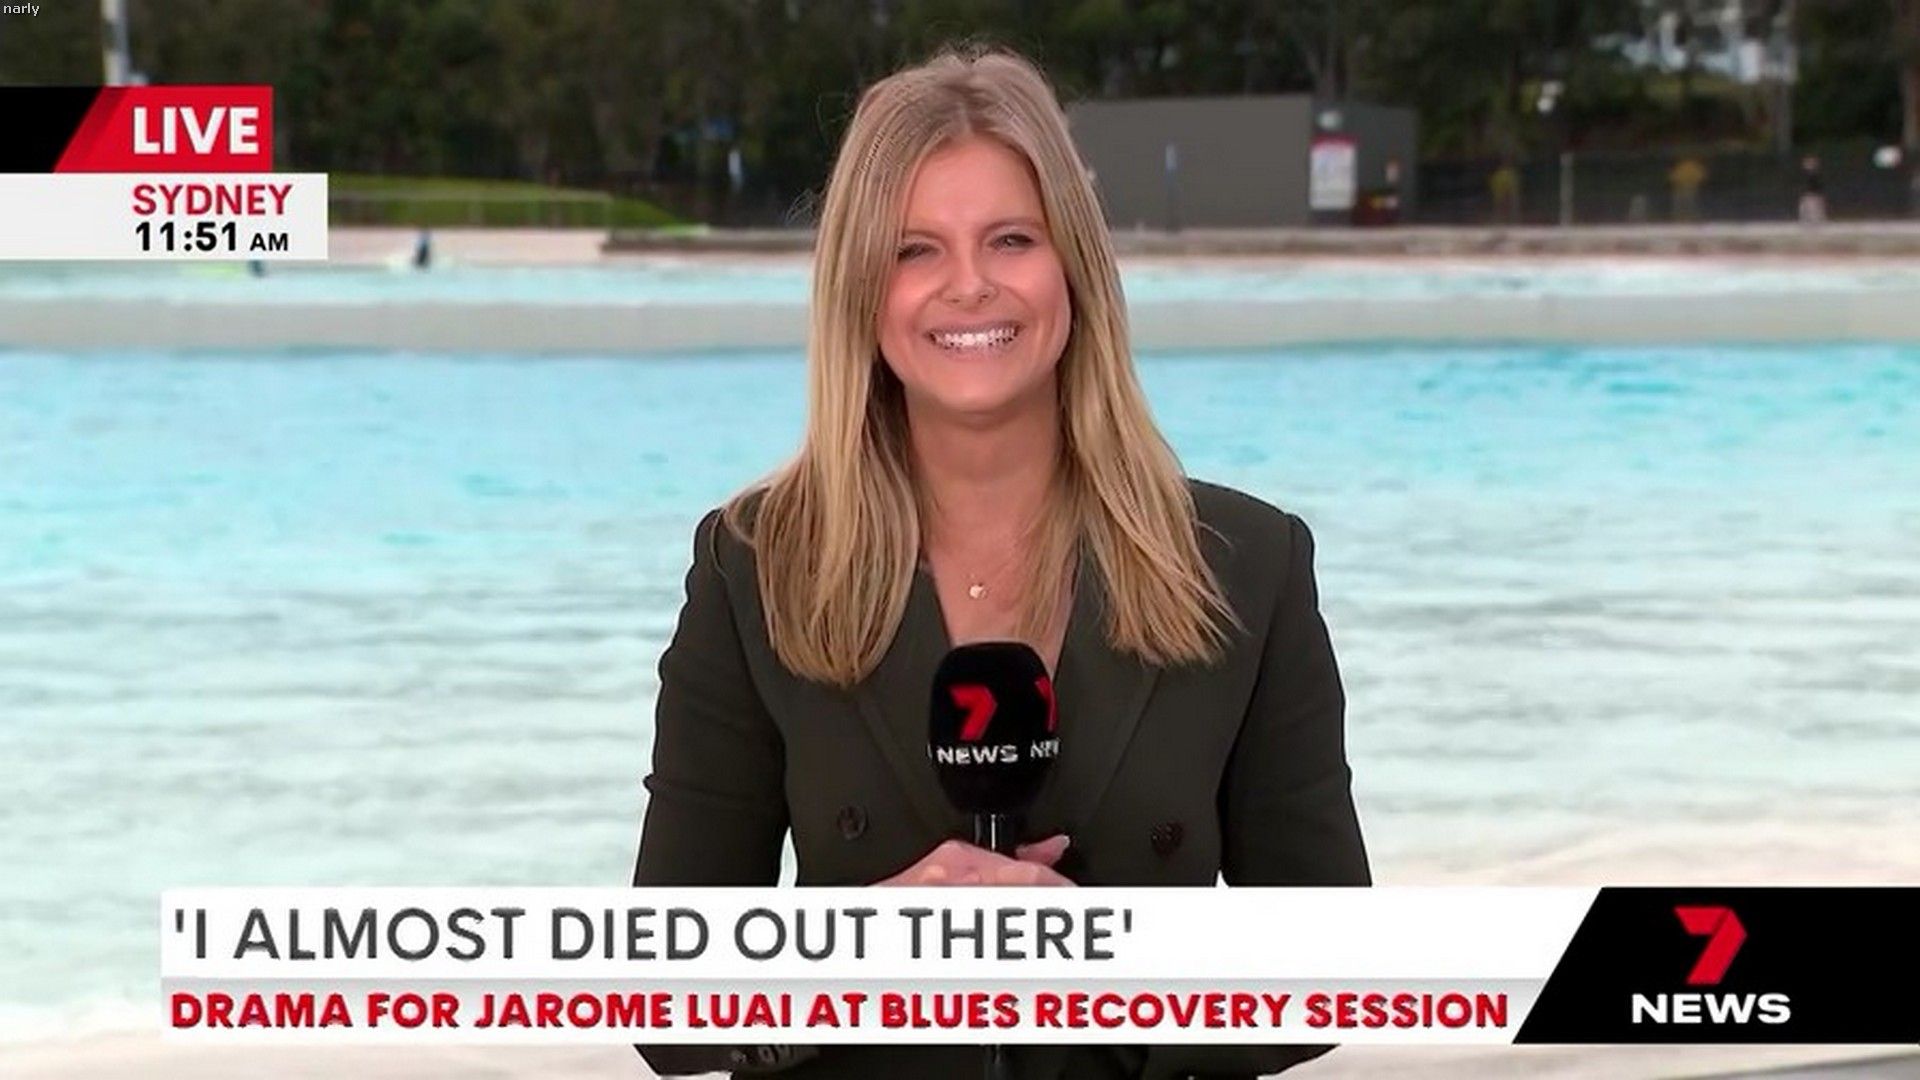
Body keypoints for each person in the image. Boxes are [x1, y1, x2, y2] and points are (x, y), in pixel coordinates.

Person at [632, 43, 1369, 1080]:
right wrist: (864, 955)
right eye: (915, 251)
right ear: (861, 291)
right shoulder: (751, 567)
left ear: (1073, 266)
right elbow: (665, 1005)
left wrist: (1106, 974)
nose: (969, 286)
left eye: (1011, 239)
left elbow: (1338, 967)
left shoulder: (1247, 563)